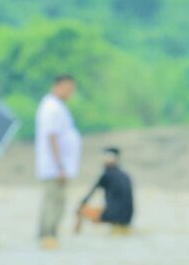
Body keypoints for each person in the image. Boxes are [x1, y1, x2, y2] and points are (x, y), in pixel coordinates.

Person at [35, 75, 81, 248]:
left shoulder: (57, 106)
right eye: (69, 89)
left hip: (58, 166)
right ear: (59, 86)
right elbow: (52, 136)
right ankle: (48, 236)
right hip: (55, 167)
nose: (71, 93)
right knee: (54, 202)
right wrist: (60, 166)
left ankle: (47, 236)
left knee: (53, 201)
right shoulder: (51, 107)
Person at [74, 148, 134, 232]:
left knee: (80, 210)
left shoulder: (106, 174)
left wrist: (81, 204)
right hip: (128, 217)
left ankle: (76, 232)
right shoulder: (125, 175)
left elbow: (91, 193)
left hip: (112, 216)